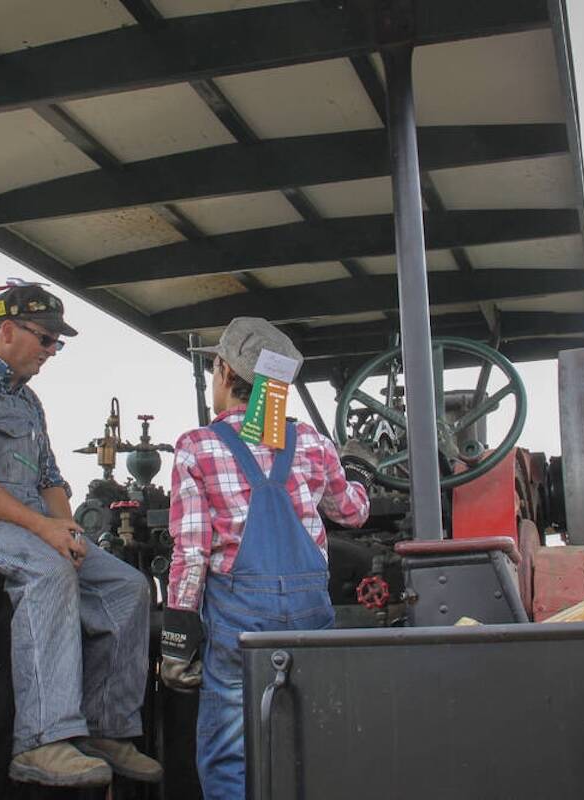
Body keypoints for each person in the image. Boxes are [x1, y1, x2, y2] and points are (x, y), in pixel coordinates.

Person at [0, 284, 162, 788]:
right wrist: (45, 532)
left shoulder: (28, 403)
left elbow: (50, 480)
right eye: (46, 340)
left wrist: (65, 527)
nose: (51, 353)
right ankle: (42, 741)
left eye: (56, 344)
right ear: (7, 330)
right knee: (48, 573)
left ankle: (106, 728)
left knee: (127, 587)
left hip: (24, 527)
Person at [160, 317, 371, 799]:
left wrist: (176, 641)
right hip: (309, 612)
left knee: (230, 752)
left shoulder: (198, 446)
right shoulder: (315, 445)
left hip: (239, 618)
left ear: (223, 370)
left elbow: (191, 554)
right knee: (309, 735)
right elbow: (353, 513)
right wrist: (360, 471)